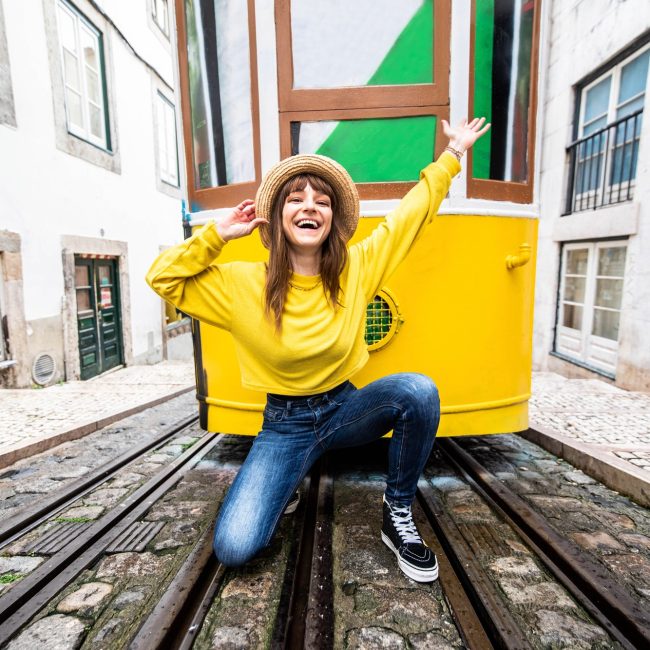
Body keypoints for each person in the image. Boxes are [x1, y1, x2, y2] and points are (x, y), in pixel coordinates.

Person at [146, 118, 490, 582]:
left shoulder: (358, 268)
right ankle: (287, 477)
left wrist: (453, 156)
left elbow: (410, 217)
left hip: (345, 407)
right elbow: (162, 278)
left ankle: (398, 512)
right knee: (234, 547)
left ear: (331, 220)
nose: (310, 207)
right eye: (297, 198)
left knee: (418, 391)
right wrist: (217, 235)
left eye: (321, 202)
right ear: (280, 216)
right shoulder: (240, 285)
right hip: (285, 426)